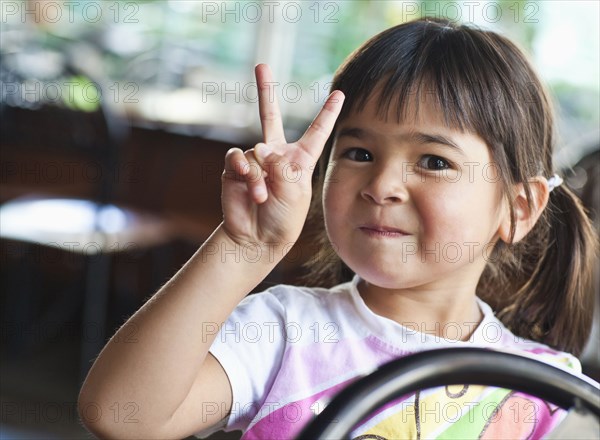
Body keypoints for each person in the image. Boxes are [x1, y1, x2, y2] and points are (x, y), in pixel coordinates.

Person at [78, 17, 598, 439]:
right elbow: (123, 414)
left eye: (434, 161)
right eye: (359, 153)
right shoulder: (285, 332)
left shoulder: (550, 394)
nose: (383, 184)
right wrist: (245, 247)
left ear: (519, 207)